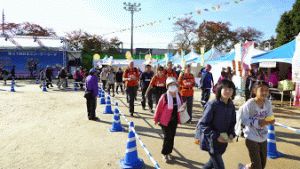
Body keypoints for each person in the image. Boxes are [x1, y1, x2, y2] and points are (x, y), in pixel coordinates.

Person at [199, 79, 237, 169]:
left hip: (223, 141)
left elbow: (232, 122)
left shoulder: (231, 105)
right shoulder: (213, 104)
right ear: (220, 89)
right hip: (211, 141)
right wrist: (216, 136)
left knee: (211, 163)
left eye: (230, 89)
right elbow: (203, 124)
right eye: (225, 88)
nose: (228, 91)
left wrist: (231, 134)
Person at [240, 81, 275, 169]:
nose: (264, 92)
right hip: (251, 137)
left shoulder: (267, 103)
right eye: (262, 90)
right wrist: (258, 122)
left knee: (262, 164)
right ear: (255, 91)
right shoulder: (249, 104)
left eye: (266, 90)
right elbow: (243, 120)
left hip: (263, 136)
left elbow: (270, 116)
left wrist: (271, 120)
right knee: (258, 166)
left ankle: (245, 168)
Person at [154, 77, 182, 162]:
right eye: (171, 85)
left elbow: (180, 107)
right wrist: (156, 119)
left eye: (174, 84)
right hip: (165, 121)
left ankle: (169, 152)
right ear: (167, 86)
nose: (173, 86)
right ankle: (164, 154)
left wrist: (183, 108)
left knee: (172, 137)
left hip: (174, 120)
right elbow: (158, 108)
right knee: (167, 137)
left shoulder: (178, 95)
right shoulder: (164, 96)